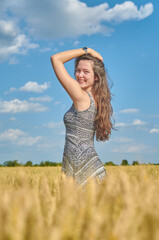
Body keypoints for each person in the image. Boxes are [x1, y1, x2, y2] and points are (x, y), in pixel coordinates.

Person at [50, 47, 114, 187]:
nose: (80, 75)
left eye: (86, 72)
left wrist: (86, 50)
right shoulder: (97, 98)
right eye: (78, 71)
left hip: (81, 167)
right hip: (84, 165)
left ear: (96, 76)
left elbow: (56, 59)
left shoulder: (81, 97)